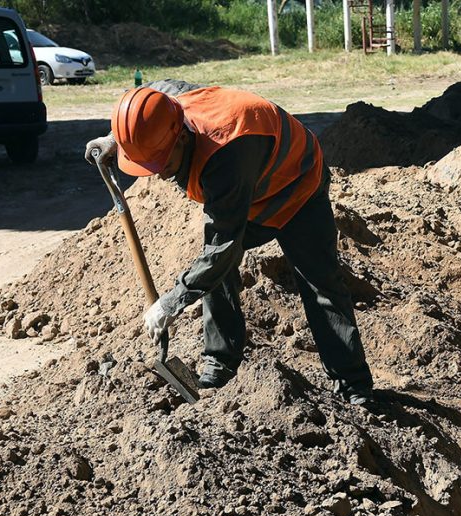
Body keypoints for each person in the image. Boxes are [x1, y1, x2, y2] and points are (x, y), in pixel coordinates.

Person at [85, 81, 373, 404]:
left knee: (319, 283)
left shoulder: (224, 158)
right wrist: (117, 140)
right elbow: (145, 104)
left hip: (298, 182)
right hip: (254, 184)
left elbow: (221, 251)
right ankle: (221, 364)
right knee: (213, 270)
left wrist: (170, 303)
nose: (161, 175)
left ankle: (354, 386)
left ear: (180, 137)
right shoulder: (168, 107)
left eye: (162, 164)